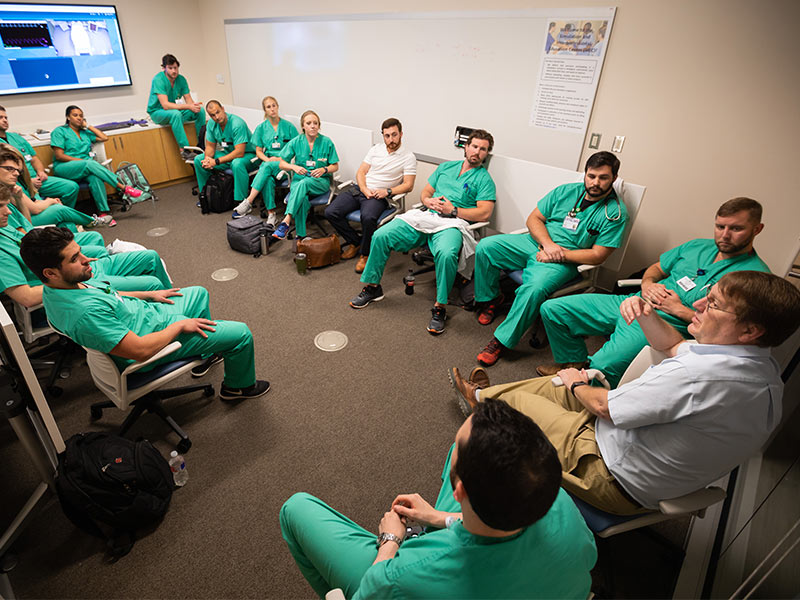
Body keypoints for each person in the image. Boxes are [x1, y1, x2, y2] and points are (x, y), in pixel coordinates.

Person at [450, 271, 800, 515]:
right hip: (642, 459)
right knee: (552, 385)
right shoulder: (761, 369)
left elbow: (604, 407)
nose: (697, 306)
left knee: (537, 396)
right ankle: (481, 399)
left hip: (611, 475)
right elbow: (676, 344)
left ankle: (484, 407)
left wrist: (576, 381)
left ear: (750, 330)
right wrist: (646, 314)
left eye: (714, 305)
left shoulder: (699, 378)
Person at [279, 398, 596, 599]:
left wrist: (390, 539)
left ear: (460, 493)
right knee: (464, 454)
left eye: (459, 442)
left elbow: (372, 590)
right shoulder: (559, 501)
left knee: (294, 509)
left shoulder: (405, 575)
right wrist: (437, 518)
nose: (454, 444)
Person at [537, 197, 771, 387]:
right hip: (632, 301)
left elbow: (729, 329)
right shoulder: (697, 246)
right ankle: (573, 364)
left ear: (757, 229)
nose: (725, 235)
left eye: (736, 229)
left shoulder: (754, 277)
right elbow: (657, 269)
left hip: (663, 325)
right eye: (720, 226)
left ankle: (583, 391)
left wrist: (679, 310)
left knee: (601, 366)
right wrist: (647, 284)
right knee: (553, 309)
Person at [20, 227, 270, 401]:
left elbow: (112, 297)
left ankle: (204, 356)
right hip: (152, 342)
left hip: (148, 316)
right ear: (50, 272)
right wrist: (179, 327)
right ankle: (237, 389)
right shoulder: (85, 313)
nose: (87, 260)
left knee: (198, 293)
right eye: (75, 258)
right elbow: (138, 350)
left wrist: (150, 295)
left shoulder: (63, 287)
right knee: (241, 334)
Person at [473, 151, 628, 367]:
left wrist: (558, 253)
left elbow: (598, 254)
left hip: (564, 259)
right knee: (486, 246)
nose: (595, 183)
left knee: (534, 288)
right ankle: (490, 299)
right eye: (591, 176)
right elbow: (534, 218)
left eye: (603, 178)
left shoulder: (615, 214)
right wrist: (548, 244)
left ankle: (501, 340)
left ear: (614, 178)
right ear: (585, 174)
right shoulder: (566, 192)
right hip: (536, 242)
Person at [349, 130, 496, 335]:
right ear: (466, 147)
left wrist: (453, 210)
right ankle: (373, 288)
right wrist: (428, 201)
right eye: (474, 146)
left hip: (453, 223)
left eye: (483, 149)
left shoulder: (484, 179)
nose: (477, 152)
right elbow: (425, 192)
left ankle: (440, 307)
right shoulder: (446, 167)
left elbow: (484, 212)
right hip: (427, 215)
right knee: (381, 235)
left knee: (446, 254)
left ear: (486, 153)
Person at [0, 187, 170, 310]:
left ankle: (173, 302)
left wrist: (78, 259)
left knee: (150, 257)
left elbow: (30, 233)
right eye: (0, 206)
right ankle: (165, 317)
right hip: (70, 281)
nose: (7, 212)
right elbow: (26, 297)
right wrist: (72, 279)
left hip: (79, 270)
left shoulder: (5, 225)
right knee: (151, 284)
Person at [324, 117, 417, 274]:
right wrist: (364, 188)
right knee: (330, 211)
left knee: (367, 218)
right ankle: (355, 241)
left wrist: (387, 192)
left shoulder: (408, 157)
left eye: (394, 135)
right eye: (387, 136)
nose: (391, 139)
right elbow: (361, 171)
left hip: (379, 195)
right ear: (383, 136)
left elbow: (408, 185)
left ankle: (365, 255)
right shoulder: (375, 149)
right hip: (360, 189)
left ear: (401, 134)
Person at [50, 105, 143, 227]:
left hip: (86, 167)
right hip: (65, 167)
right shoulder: (59, 131)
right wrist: (81, 161)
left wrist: (88, 126)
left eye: (81, 116)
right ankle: (123, 187)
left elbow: (104, 137)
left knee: (96, 178)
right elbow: (59, 155)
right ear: (68, 117)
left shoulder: (85, 133)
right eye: (75, 115)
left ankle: (104, 214)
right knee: (90, 163)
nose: (79, 118)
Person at [272, 110, 339, 241]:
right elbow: (281, 164)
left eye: (315, 123)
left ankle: (286, 220)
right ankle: (300, 236)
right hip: (299, 179)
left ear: (319, 126)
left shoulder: (327, 142)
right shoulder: (296, 142)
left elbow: (335, 166)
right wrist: (294, 167)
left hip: (319, 182)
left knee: (303, 184)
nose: (312, 126)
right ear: (303, 126)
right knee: (302, 198)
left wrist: (324, 169)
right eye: (309, 123)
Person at [231, 96, 299, 225]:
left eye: (274, 105)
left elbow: (297, 149)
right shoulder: (261, 128)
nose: (272, 109)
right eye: (269, 107)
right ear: (265, 110)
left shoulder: (288, 127)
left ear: (277, 107)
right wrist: (268, 159)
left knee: (266, 167)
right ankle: (271, 214)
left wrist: (278, 158)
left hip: (285, 165)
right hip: (268, 163)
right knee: (267, 178)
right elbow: (258, 152)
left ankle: (248, 201)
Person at [0, 145, 99, 231]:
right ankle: (91, 221)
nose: (16, 173)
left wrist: (48, 202)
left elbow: (33, 203)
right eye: (9, 169)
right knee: (60, 210)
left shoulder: (15, 183)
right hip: (26, 222)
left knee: (67, 224)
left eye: (18, 170)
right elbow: (33, 212)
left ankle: (77, 249)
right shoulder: (8, 186)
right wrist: (51, 201)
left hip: (28, 218)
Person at [0, 105, 79, 207]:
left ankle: (63, 215)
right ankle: (59, 214)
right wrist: (28, 181)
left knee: (71, 187)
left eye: (6, 117)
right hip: (20, 184)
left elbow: (34, 158)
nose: (5, 120)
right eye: (0, 118)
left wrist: (40, 172)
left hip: (37, 178)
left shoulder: (15, 137)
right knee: (41, 206)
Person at [192, 101, 257, 208]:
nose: (217, 117)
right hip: (229, 153)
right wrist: (208, 159)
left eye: (218, 112)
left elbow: (239, 152)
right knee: (199, 160)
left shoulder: (237, 124)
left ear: (223, 109)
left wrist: (216, 161)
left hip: (249, 155)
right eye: (213, 115)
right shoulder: (212, 124)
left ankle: (242, 202)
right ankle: (207, 195)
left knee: (237, 163)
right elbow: (210, 147)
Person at [146, 54, 206, 160]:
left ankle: (201, 145)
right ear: (164, 68)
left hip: (173, 111)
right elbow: (165, 105)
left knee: (200, 111)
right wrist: (188, 106)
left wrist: (194, 106)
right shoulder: (158, 79)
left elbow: (188, 99)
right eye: (170, 68)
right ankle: (185, 150)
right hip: (157, 112)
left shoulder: (181, 79)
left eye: (176, 68)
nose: (174, 71)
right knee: (176, 114)